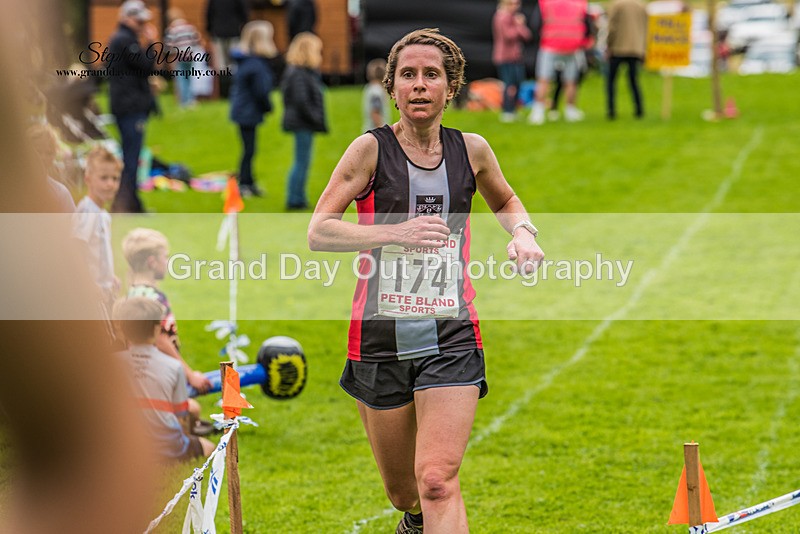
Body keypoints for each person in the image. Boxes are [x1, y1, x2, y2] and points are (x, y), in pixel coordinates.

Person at [307, 28, 544, 533]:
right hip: (378, 336)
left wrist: (523, 232)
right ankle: (414, 522)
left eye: (431, 75)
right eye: (408, 75)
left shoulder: (472, 150)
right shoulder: (369, 151)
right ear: (392, 87)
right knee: (404, 492)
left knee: (436, 478)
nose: (419, 85)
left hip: (451, 332)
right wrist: (397, 232)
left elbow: (505, 200)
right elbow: (319, 231)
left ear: (450, 86)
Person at [121, 228, 214, 431]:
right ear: (151, 262)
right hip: (155, 377)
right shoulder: (153, 298)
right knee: (192, 411)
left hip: (143, 375)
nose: (167, 262)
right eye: (165, 257)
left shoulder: (133, 292)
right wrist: (191, 375)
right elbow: (161, 340)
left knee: (192, 412)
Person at [113, 297, 216, 461]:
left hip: (127, 444)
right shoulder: (174, 366)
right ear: (156, 329)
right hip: (166, 446)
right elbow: (181, 416)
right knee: (211, 448)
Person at [107, 0, 157, 213]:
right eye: (139, 20)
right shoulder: (125, 40)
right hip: (130, 106)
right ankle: (128, 205)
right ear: (127, 18)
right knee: (130, 157)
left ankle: (128, 204)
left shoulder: (122, 39)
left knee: (131, 156)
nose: (142, 24)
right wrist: (153, 43)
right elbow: (146, 66)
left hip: (127, 104)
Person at [229, 20, 280, 197]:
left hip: (244, 110)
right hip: (247, 111)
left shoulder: (248, 62)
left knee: (249, 148)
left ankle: (248, 181)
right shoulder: (256, 65)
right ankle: (244, 183)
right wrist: (268, 107)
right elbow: (260, 91)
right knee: (249, 149)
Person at [74, 145, 122, 315]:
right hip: (89, 295)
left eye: (115, 179)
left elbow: (99, 250)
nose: (110, 184)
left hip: (103, 293)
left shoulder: (102, 213)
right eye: (104, 178)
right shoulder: (88, 211)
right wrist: (90, 284)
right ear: (88, 179)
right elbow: (76, 250)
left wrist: (110, 277)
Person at [281, 32, 327, 210]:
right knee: (301, 161)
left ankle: (298, 195)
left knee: (303, 161)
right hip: (302, 123)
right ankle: (295, 198)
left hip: (302, 122)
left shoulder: (301, 72)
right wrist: (315, 118)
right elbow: (302, 101)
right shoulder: (299, 73)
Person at [528, 0, 590, 124]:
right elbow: (587, 24)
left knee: (544, 79)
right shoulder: (580, 3)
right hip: (573, 45)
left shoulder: (545, 3)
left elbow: (535, 24)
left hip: (550, 44)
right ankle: (570, 110)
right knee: (571, 81)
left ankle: (538, 112)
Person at [605, 0, 648, 119]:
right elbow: (646, 28)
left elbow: (612, 27)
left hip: (618, 47)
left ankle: (611, 110)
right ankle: (639, 109)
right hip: (636, 48)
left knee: (611, 81)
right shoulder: (641, 5)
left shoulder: (617, 5)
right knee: (633, 80)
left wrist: (609, 45)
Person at [492, 0, 532, 123]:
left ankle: (514, 110)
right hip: (505, 57)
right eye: (512, 3)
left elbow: (527, 35)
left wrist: (519, 25)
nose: (515, 6)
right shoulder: (501, 16)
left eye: (517, 3)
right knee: (509, 85)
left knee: (518, 83)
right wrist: (518, 25)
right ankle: (507, 111)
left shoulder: (515, 18)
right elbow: (508, 36)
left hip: (517, 57)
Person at [26, 123, 76, 213]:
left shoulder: (61, 193)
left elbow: (72, 224)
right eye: (38, 151)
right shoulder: (11, 190)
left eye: (49, 153)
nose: (43, 157)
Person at [165, 8, 202, 108]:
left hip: (179, 56)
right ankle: (191, 99)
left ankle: (184, 101)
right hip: (190, 55)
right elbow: (196, 40)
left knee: (181, 78)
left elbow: (169, 46)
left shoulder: (172, 30)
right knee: (189, 77)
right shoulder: (190, 27)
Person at [205, 0, 249, 73]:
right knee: (234, 60)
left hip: (218, 31)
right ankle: (233, 80)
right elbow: (244, 13)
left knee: (220, 62)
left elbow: (209, 14)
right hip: (234, 31)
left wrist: (209, 29)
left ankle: (223, 82)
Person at [362, 58, 391, 133]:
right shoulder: (376, 91)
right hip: (376, 132)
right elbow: (375, 113)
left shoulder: (370, 87)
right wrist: (383, 132)